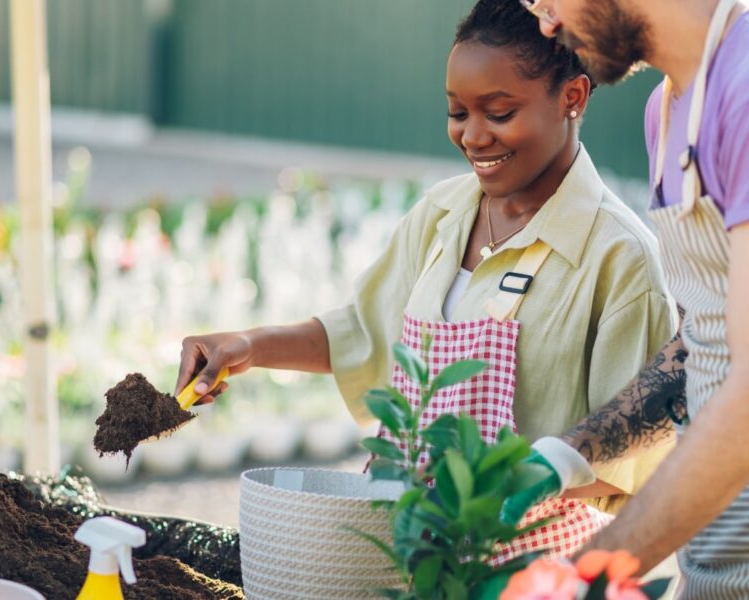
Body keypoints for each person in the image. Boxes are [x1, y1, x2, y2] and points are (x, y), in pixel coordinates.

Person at [176, 0, 677, 563]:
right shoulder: (442, 214)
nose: (473, 136)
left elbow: (634, 458)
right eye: (458, 112)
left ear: (573, 97)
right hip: (407, 555)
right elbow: (363, 332)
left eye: (499, 111)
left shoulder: (618, 257)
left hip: (529, 573)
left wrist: (498, 481)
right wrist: (248, 346)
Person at [512, 0, 749, 595]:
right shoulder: (666, 111)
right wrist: (559, 460)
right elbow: (705, 343)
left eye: (545, 0)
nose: (546, 24)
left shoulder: (743, 91)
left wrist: (587, 569)